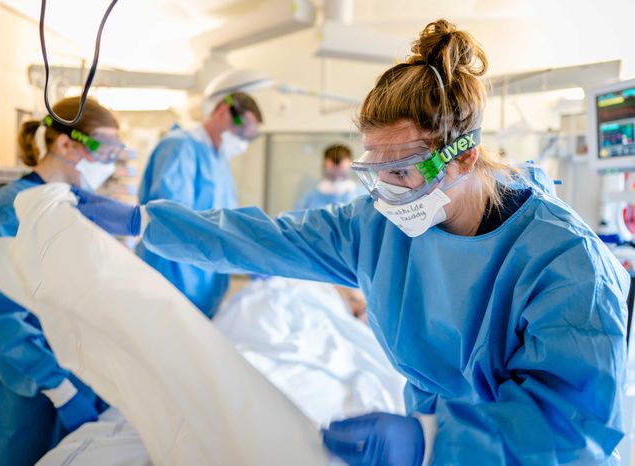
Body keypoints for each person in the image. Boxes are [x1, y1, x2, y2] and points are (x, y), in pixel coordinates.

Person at [73, 20, 629, 465]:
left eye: (404, 173)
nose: (386, 194)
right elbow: (264, 237)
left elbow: (573, 425)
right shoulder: (376, 226)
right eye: (374, 173)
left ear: (461, 157)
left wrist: (431, 440)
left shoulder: (565, 264)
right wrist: (147, 222)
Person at [0, 97, 125, 466]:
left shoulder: (72, 203)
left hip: (82, 373)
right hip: (33, 385)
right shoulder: (9, 209)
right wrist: (60, 389)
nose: (111, 162)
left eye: (117, 151)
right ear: (65, 144)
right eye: (106, 149)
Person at [135, 92, 263, 318]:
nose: (242, 142)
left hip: (205, 280)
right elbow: (172, 219)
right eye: (241, 132)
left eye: (248, 138)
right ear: (223, 112)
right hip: (174, 274)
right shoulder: (179, 147)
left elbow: (224, 217)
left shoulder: (219, 158)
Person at [294, 143, 366, 210]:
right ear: (324, 165)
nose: (337, 171)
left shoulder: (363, 195)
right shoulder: (310, 198)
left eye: (340, 168)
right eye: (333, 167)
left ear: (351, 164)